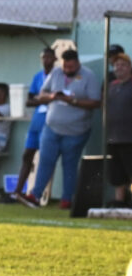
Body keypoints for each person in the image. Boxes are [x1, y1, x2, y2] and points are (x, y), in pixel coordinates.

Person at [19, 49, 101, 209]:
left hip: (76, 131)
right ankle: (35, 195)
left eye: (71, 67)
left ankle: (67, 199)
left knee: (69, 164)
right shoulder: (56, 73)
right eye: (65, 67)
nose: (68, 70)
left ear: (77, 63)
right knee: (45, 161)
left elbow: (95, 102)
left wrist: (73, 101)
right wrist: (52, 97)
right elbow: (42, 93)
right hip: (51, 127)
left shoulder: (89, 76)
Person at [10, 48, 56, 202]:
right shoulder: (38, 76)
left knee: (44, 157)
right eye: (44, 57)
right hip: (37, 120)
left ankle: (38, 193)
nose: (46, 60)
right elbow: (29, 100)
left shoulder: (57, 76)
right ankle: (17, 191)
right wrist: (42, 99)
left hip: (49, 120)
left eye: (49, 57)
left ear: (55, 59)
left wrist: (42, 98)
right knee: (27, 154)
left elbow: (55, 98)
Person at [106, 53, 132, 207]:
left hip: (129, 137)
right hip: (114, 137)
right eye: (116, 65)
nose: (119, 68)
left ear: (129, 67)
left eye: (122, 65)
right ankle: (119, 202)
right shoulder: (112, 86)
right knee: (117, 173)